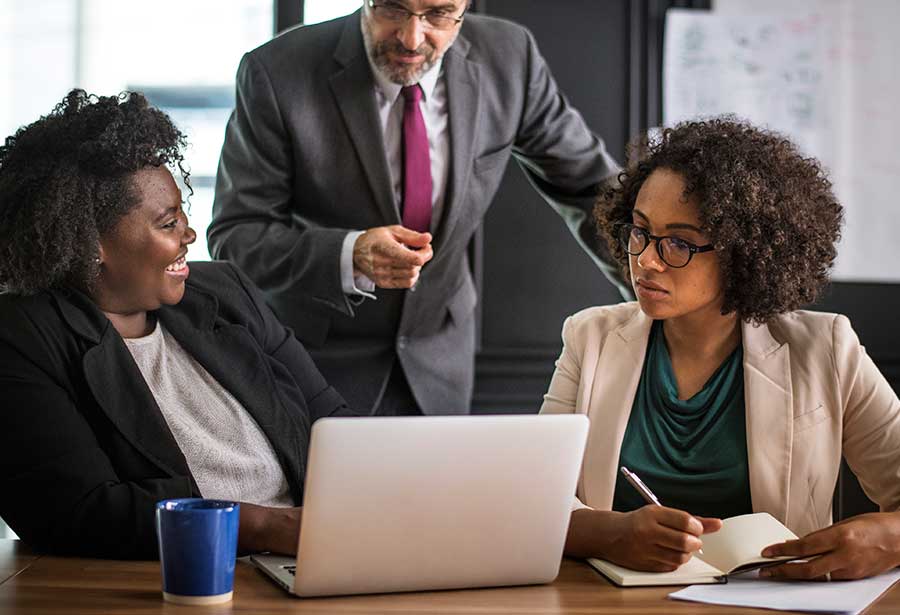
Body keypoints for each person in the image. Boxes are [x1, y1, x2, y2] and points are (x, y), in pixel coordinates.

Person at [208, 0, 626, 416]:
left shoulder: (510, 58)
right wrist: (350, 254)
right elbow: (237, 235)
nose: (412, 37)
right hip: (314, 363)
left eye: (439, 14)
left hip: (441, 359)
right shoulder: (277, 71)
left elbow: (593, 189)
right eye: (392, 8)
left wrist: (663, 291)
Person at [540, 117, 900, 580]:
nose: (646, 260)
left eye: (678, 243)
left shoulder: (825, 348)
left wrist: (889, 539)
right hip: (606, 604)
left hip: (772, 605)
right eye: (640, 231)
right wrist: (610, 533)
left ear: (744, 252)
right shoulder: (590, 337)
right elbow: (536, 496)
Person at [0, 90, 353, 559]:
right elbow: (79, 509)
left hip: (312, 558)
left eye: (183, 214)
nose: (189, 234)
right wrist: (265, 526)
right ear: (91, 245)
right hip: (176, 577)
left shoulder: (226, 292)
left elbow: (332, 423)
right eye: (168, 224)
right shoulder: (22, 335)